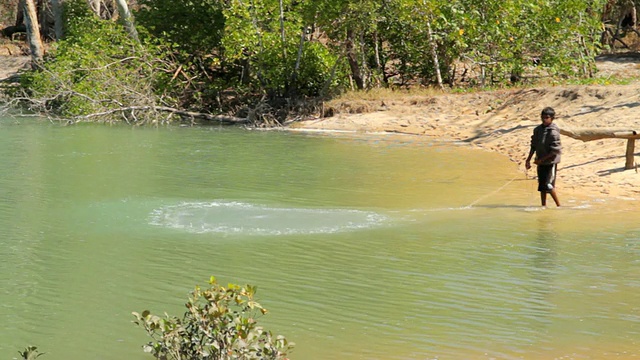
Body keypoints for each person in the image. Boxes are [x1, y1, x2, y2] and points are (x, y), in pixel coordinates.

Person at [525, 107, 562, 207]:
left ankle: (559, 206)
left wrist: (542, 160)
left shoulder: (553, 132)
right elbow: (533, 145)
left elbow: (555, 150)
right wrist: (528, 160)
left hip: (550, 162)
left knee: (549, 185)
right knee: (542, 186)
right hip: (540, 161)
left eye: (547, 117)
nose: (544, 120)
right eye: (543, 117)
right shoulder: (537, 130)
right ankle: (543, 206)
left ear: (552, 118)